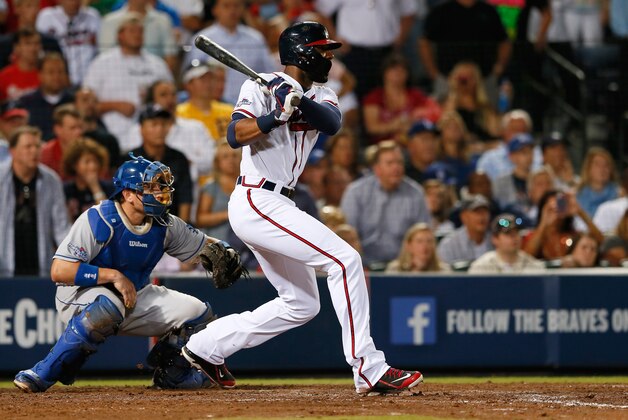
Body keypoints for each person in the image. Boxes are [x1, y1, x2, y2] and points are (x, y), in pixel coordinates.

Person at [183, 21, 423, 396]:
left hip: (279, 202)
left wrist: (297, 98)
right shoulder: (257, 85)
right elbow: (235, 136)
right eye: (322, 49)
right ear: (302, 52)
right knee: (346, 261)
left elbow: (330, 123)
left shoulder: (324, 93)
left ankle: (203, 347)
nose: (328, 56)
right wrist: (274, 115)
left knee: (302, 304)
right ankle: (369, 367)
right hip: (256, 198)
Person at [13, 154, 245, 393]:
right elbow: (60, 271)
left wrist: (224, 250)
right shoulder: (99, 218)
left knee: (198, 314)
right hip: (77, 296)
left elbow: (204, 244)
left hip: (134, 295)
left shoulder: (165, 223)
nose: (159, 192)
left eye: (160, 186)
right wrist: (114, 276)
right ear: (128, 195)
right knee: (107, 306)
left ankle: (174, 375)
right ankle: (42, 373)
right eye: (150, 187)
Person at [83, 13, 173, 152]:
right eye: (132, 31)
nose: (137, 35)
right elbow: (85, 104)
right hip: (110, 134)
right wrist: (115, 105)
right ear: (120, 35)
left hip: (151, 135)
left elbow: (171, 96)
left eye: (140, 31)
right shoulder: (102, 63)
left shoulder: (157, 64)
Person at [341, 140, 432, 268]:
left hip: (403, 267)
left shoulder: (415, 194)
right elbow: (347, 235)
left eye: (399, 162)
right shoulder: (356, 192)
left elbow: (423, 233)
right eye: (390, 163)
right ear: (377, 169)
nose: (396, 167)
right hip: (363, 266)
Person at [0, 126, 70, 277]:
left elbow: (61, 226)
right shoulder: (1, 177)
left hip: (40, 262)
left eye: (37, 146)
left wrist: (71, 257)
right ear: (12, 151)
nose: (34, 151)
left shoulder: (52, 180)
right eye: (28, 147)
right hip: (4, 264)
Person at [184, 0, 275, 105]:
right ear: (215, 10)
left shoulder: (256, 38)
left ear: (242, 9)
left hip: (251, 106)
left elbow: (270, 75)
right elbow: (190, 78)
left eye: (236, 6)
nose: (232, 11)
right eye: (226, 6)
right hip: (214, 108)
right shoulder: (202, 40)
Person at [130, 104, 193, 222]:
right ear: (141, 128)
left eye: (163, 124)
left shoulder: (179, 158)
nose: (160, 129)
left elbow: (185, 198)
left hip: (171, 226)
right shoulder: (132, 161)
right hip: (136, 225)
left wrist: (182, 231)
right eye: (154, 124)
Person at [362, 53, 440, 145]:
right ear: (384, 73)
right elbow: (371, 128)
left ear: (408, 74)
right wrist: (394, 126)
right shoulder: (374, 97)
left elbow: (434, 113)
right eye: (394, 69)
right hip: (383, 146)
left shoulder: (416, 95)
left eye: (402, 69)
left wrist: (414, 120)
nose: (398, 73)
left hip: (412, 144)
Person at [522, 190, 604, 261]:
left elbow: (600, 240)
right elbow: (526, 257)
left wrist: (579, 212)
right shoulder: (533, 236)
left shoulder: (574, 236)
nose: (556, 210)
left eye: (560, 205)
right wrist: (543, 223)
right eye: (550, 208)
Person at [99, 0, 178, 73]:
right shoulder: (109, 21)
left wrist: (158, 78)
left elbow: (170, 56)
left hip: (153, 76)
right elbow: (105, 56)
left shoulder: (163, 20)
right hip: (117, 76)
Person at [35, 0, 100, 85]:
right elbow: (39, 49)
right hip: (57, 79)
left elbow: (99, 48)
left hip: (89, 78)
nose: (73, 2)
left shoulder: (93, 16)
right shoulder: (47, 17)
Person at [16, 52, 73, 141]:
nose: (56, 77)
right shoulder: (26, 103)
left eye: (60, 71)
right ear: (40, 75)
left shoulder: (74, 102)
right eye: (51, 72)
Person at [440, 61, 500, 141]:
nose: (465, 82)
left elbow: (494, 132)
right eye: (462, 78)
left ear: (476, 80)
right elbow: (444, 127)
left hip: (483, 146)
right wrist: (454, 92)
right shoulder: (449, 104)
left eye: (470, 77)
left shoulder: (485, 108)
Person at [468, 213, 545, 273]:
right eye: (508, 234)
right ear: (495, 239)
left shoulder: (534, 266)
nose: (514, 237)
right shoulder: (481, 267)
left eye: (516, 232)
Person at [176, 63, 234, 142]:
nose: (208, 83)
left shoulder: (229, 111)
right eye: (202, 79)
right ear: (189, 84)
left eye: (211, 78)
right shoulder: (179, 114)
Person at [196, 140, 241, 240]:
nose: (231, 160)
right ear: (217, 162)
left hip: (245, 245)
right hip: (218, 244)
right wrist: (229, 214)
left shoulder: (245, 185)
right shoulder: (211, 187)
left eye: (234, 156)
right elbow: (200, 219)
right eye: (225, 157)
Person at [62, 138, 114, 222]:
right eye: (87, 162)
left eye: (95, 161)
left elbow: (108, 218)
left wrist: (95, 187)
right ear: (74, 165)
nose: (92, 167)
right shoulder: (65, 190)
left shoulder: (109, 188)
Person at [437, 194, 493, 268]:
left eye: (485, 212)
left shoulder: (497, 241)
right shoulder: (449, 245)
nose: (482, 217)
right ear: (464, 217)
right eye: (477, 212)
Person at [39, 104, 84, 179]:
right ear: (58, 129)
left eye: (80, 127)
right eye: (73, 128)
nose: (78, 132)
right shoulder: (45, 154)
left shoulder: (91, 151)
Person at [575, 147, 621, 218]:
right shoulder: (577, 195)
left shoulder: (619, 194)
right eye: (597, 165)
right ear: (588, 169)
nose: (602, 169)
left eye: (606, 165)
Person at [386, 223, 450, 273]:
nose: (425, 245)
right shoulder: (395, 270)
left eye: (429, 241)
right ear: (409, 246)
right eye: (419, 241)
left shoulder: (443, 271)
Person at [0, 28, 41, 102]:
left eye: (36, 43)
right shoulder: (4, 76)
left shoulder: (47, 75)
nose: (33, 48)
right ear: (16, 48)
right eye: (27, 43)